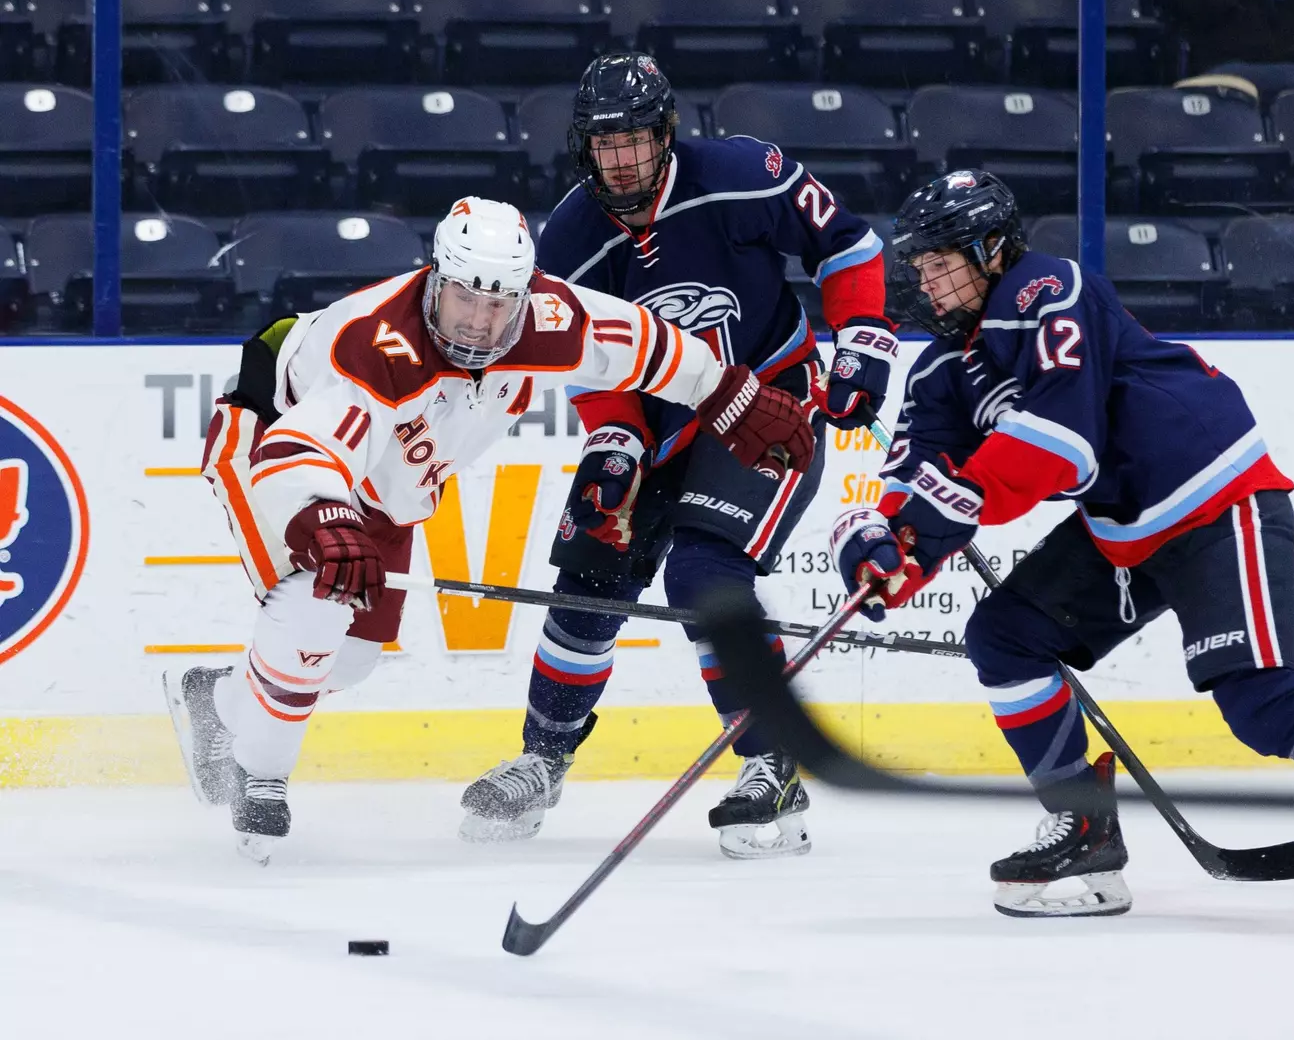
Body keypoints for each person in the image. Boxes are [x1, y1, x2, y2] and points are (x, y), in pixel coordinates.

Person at [828, 170, 1294, 916]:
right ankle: (1083, 826)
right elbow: (914, 475)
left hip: (1212, 495)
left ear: (991, 249)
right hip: (1124, 527)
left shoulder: (1048, 290)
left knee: (1265, 709)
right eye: (919, 265)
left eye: (941, 260)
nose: (927, 280)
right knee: (1005, 637)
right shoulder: (941, 370)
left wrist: (958, 500)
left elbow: (1065, 444)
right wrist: (888, 549)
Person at [166, 196, 814, 864]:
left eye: (500, 304)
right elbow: (301, 449)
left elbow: (640, 343)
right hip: (273, 448)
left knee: (350, 660)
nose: (480, 323)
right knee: (316, 604)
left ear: (526, 294)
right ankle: (262, 776)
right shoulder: (376, 343)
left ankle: (217, 699)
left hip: (384, 492)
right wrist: (325, 515)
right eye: (465, 300)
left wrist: (723, 393)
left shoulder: (546, 320)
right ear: (435, 279)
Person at [458, 54, 893, 859]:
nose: (620, 159)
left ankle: (772, 760)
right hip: (661, 429)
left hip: (770, 409)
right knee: (589, 571)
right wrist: (616, 437)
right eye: (604, 143)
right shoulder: (572, 234)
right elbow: (584, 356)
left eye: (634, 140)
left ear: (666, 133)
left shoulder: (741, 172)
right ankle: (543, 758)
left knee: (703, 571)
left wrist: (862, 339)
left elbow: (847, 242)